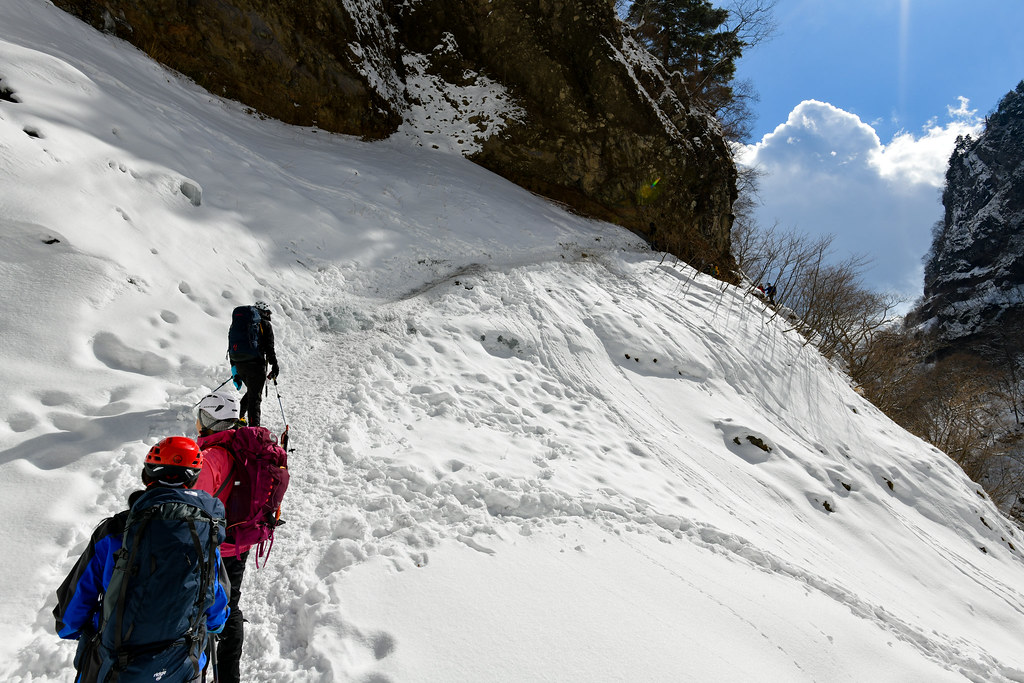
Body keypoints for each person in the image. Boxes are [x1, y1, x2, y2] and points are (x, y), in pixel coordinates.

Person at [54, 437, 230, 683]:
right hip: (182, 663)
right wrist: (213, 624)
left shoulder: (116, 531)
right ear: (193, 480)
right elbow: (216, 605)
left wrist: (72, 629)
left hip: (117, 665)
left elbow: (73, 609)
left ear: (147, 475)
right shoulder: (205, 533)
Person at [194, 392, 289, 683]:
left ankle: (198, 673)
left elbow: (193, 510)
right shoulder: (242, 449)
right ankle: (229, 677)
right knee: (229, 606)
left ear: (208, 420)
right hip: (240, 541)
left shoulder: (209, 458)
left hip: (213, 549)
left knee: (201, 613)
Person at [228, 300, 280, 427]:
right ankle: (254, 430)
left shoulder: (239, 324)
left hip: (240, 365)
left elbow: (231, 348)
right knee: (255, 399)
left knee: (252, 392)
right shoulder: (264, 324)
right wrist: (275, 366)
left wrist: (235, 370)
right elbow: (269, 348)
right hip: (256, 365)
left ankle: (239, 418)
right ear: (264, 312)